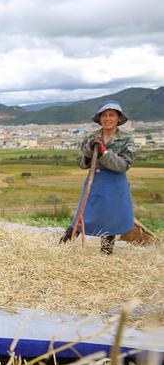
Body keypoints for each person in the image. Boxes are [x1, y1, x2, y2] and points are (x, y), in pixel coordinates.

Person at [60, 100, 137, 254]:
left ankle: (106, 253)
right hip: (94, 181)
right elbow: (82, 164)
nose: (107, 118)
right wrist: (89, 150)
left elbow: (123, 166)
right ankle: (62, 248)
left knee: (111, 219)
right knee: (82, 215)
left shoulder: (126, 139)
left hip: (115, 184)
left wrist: (105, 153)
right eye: (104, 115)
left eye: (111, 115)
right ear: (99, 118)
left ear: (118, 118)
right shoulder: (91, 137)